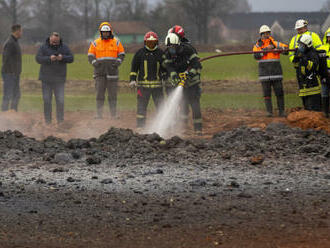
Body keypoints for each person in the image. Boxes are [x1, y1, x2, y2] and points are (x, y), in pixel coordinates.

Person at [162, 33, 202, 134]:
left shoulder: (188, 50)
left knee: (195, 105)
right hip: (181, 84)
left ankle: (198, 130)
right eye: (169, 47)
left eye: (173, 46)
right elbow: (169, 66)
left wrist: (190, 74)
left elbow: (197, 63)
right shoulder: (167, 53)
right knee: (183, 105)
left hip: (192, 84)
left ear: (178, 45)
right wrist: (174, 75)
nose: (171, 49)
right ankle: (183, 127)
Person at [88, 21, 125, 119]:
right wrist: (95, 63)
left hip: (112, 73)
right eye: (103, 32)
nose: (105, 34)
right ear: (101, 32)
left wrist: (118, 63)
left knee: (112, 95)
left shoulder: (116, 42)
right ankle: (99, 115)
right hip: (99, 73)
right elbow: (90, 55)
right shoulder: (95, 43)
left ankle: (113, 115)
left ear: (110, 32)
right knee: (100, 94)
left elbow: (122, 54)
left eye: (107, 32)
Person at [129, 31, 165, 129]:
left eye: (153, 43)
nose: (151, 44)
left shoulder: (161, 53)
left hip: (157, 88)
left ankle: (162, 126)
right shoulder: (139, 54)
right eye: (149, 42)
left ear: (156, 43)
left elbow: (165, 69)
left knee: (161, 107)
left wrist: (166, 79)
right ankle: (140, 126)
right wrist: (132, 80)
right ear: (145, 42)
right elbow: (134, 68)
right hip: (142, 87)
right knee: (141, 107)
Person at [36, 32, 74, 124]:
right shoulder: (43, 47)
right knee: (47, 100)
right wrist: (49, 58)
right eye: (52, 42)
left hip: (59, 80)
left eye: (56, 42)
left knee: (60, 101)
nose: (54, 44)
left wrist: (63, 57)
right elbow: (38, 58)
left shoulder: (64, 47)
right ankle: (48, 121)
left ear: (59, 41)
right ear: (49, 39)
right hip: (46, 79)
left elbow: (71, 58)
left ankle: (60, 121)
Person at [253, 25, 288, 117]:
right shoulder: (257, 45)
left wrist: (278, 49)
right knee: (267, 94)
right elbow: (256, 56)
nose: (266, 35)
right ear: (261, 35)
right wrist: (266, 49)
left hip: (276, 73)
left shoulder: (275, 43)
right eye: (264, 33)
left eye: (268, 33)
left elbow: (287, 50)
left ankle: (282, 112)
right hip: (264, 75)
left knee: (279, 93)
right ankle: (269, 112)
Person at [289, 19, 323, 109]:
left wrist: (317, 63)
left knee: (314, 90)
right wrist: (296, 61)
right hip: (300, 69)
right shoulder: (294, 39)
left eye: (301, 28)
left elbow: (320, 51)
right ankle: (307, 108)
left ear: (305, 27)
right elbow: (291, 55)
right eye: (298, 29)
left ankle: (316, 109)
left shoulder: (313, 36)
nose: (299, 30)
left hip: (312, 67)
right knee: (303, 91)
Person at [1, 24, 22, 112]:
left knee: (16, 94)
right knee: (8, 94)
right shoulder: (10, 43)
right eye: (21, 31)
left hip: (15, 73)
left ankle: (13, 112)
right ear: (17, 31)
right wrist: (12, 72)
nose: (21, 33)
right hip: (9, 73)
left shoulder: (15, 41)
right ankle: (4, 114)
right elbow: (6, 58)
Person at [321, 28, 330, 118]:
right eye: (328, 37)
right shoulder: (322, 48)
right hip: (325, 72)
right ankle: (325, 113)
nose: (329, 39)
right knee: (324, 93)